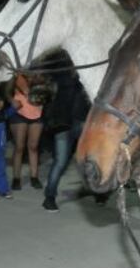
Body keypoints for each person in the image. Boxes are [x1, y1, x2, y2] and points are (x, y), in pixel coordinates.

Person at [41, 52, 92, 212]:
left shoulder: (87, 75)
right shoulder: (61, 74)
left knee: (89, 160)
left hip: (83, 123)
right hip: (63, 124)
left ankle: (95, 191)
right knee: (60, 162)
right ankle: (49, 197)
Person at [9, 73, 43, 190]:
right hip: (20, 112)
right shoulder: (16, 73)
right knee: (19, 147)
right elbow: (5, 90)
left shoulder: (41, 72)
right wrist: (11, 101)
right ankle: (16, 178)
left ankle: (34, 177)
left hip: (37, 112)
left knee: (33, 147)